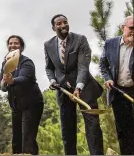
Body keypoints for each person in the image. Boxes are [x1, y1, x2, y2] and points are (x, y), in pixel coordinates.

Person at [44, 14, 104, 155]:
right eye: (59, 23)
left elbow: (83, 66)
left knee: (93, 127)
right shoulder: (48, 45)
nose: (63, 25)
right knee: (67, 129)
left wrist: (79, 87)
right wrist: (52, 80)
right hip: (63, 91)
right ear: (54, 28)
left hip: (85, 88)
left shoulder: (80, 40)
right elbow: (49, 67)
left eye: (65, 22)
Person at [0, 35, 44, 155]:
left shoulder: (26, 62)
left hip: (32, 104)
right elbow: (1, 84)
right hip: (16, 106)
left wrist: (12, 81)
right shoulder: (5, 63)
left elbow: (25, 78)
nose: (12, 45)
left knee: (27, 139)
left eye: (16, 43)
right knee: (16, 140)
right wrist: (4, 83)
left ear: (21, 47)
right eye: (10, 43)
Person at [99, 15, 134, 155]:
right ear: (123, 28)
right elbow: (103, 64)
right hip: (118, 91)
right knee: (124, 129)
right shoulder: (110, 43)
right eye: (131, 28)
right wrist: (107, 78)